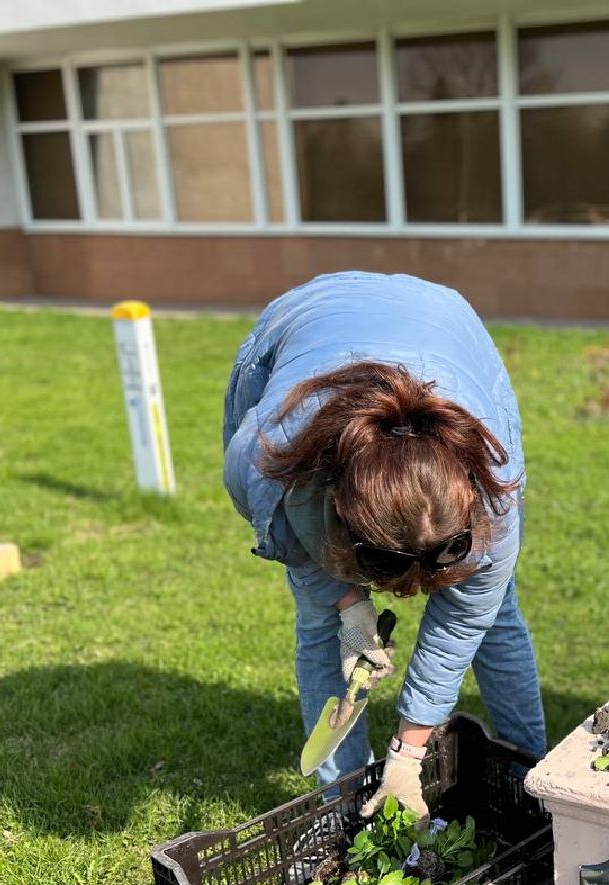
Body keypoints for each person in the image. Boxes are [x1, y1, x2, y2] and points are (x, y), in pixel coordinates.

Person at [222, 271, 546, 820]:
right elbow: (294, 544)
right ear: (338, 512)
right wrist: (348, 607)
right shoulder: (266, 461)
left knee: (494, 611)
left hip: (446, 325)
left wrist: (406, 756)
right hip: (306, 318)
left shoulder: (494, 492)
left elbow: (463, 622)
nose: (413, 591)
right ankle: (343, 804)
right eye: (383, 564)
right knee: (321, 623)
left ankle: (529, 781)